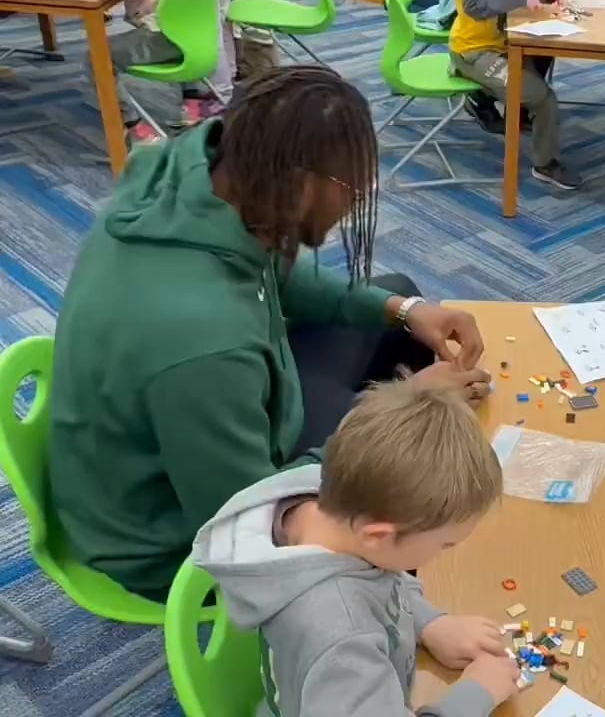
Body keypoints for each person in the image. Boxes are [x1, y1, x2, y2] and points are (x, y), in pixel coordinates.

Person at [49, 66, 492, 602]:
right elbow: (248, 519)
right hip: (171, 541)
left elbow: (270, 272)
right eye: (353, 187)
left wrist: (405, 309)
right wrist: (407, 409)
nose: (357, 201)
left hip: (183, 435)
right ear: (301, 185)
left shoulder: (186, 170)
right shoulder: (203, 345)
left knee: (396, 307)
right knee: (404, 478)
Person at [194, 381, 518, 717]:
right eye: (445, 544)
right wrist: (476, 694)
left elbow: (380, 576)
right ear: (378, 535)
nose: (445, 553)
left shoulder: (319, 502)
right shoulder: (342, 636)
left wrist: (429, 623)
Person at [449, 0, 581, 189]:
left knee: (543, 54)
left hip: (508, 43)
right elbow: (475, 7)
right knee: (541, 97)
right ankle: (544, 164)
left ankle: (489, 97)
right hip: (474, 51)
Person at [104, 0, 235, 146]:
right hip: (201, 37)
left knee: (96, 53)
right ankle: (194, 104)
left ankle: (137, 129)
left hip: (168, 37)